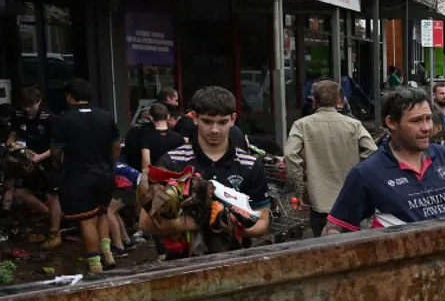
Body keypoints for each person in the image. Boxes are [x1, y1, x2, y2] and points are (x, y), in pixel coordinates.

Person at [323, 87, 445, 233]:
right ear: (391, 123)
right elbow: (334, 228)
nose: (427, 128)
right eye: (416, 121)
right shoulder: (367, 173)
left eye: (428, 119)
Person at [140, 87, 271, 257]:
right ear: (194, 118)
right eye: (208, 121)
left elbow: (262, 223)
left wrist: (232, 226)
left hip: (233, 262)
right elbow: (144, 222)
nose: (215, 130)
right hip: (180, 267)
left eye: (222, 122)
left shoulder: (250, 165)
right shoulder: (172, 162)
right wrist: (198, 223)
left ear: (233, 119)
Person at [285, 80, 377, 236]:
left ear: (313, 100)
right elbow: (373, 152)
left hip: (319, 202)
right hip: (350, 202)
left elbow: (290, 154)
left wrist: (299, 189)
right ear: (338, 101)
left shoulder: (302, 125)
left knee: (322, 248)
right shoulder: (354, 125)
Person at [51, 80, 121, 273]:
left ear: (69, 96)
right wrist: (110, 165)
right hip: (105, 174)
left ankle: (95, 263)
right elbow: (116, 145)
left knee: (86, 219)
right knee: (102, 212)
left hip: (79, 177)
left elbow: (56, 151)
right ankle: (107, 254)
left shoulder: (63, 119)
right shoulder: (106, 116)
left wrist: (58, 166)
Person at [10, 88, 63, 249]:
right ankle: (47, 214)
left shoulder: (50, 118)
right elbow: (13, 135)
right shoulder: (19, 116)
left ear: (39, 101)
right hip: (26, 160)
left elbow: (58, 145)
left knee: (52, 195)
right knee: (18, 191)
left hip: (48, 160)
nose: (27, 109)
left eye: (31, 105)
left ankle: (55, 232)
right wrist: (13, 146)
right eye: (25, 106)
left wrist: (41, 157)